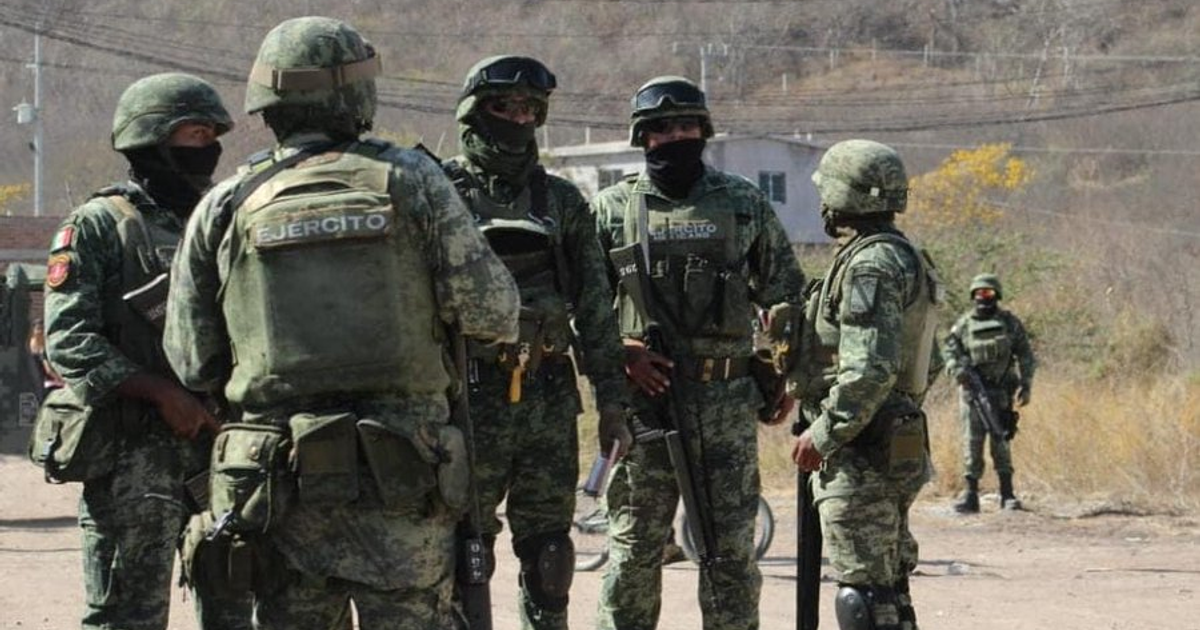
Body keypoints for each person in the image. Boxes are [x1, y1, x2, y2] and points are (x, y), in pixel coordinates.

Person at [163, 17, 520, 629]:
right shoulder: (414, 181)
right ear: (355, 91)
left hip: (279, 490)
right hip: (403, 481)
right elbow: (493, 313)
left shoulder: (226, 204)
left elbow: (193, 357)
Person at [592, 76, 806, 630]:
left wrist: (782, 372)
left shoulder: (741, 202)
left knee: (730, 553)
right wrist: (621, 351)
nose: (677, 137)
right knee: (636, 547)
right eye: (664, 129)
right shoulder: (612, 208)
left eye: (688, 126)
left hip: (727, 402)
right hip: (645, 404)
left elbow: (786, 293)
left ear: (704, 131)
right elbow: (580, 304)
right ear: (644, 137)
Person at [41, 72, 252, 630]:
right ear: (149, 140)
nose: (206, 149)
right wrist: (160, 393)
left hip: (222, 448)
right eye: (192, 135)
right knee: (127, 615)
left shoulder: (225, 218)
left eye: (211, 136)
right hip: (134, 457)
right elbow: (69, 341)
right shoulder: (100, 225)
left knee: (236, 609)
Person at [442, 55, 632, 630]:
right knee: (461, 551)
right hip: (466, 399)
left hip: (548, 395)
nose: (519, 119)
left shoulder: (562, 202)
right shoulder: (439, 193)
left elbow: (597, 310)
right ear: (476, 114)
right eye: (505, 107)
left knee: (551, 554)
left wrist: (613, 404)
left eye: (530, 109)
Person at [789, 139, 942, 630]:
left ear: (841, 196)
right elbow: (928, 361)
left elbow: (869, 368)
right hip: (894, 438)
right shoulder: (906, 256)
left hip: (861, 452)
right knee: (889, 590)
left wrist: (826, 432)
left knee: (863, 597)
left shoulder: (869, 265)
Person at [943, 273, 1036, 512]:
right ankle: (970, 495)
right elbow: (949, 351)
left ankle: (1007, 494)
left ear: (997, 295)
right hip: (972, 393)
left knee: (1001, 440)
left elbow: (1025, 354)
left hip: (1001, 392)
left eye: (989, 293)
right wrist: (957, 370)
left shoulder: (1009, 323)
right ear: (973, 296)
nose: (984, 298)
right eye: (979, 293)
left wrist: (1026, 385)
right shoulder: (964, 324)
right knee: (971, 443)